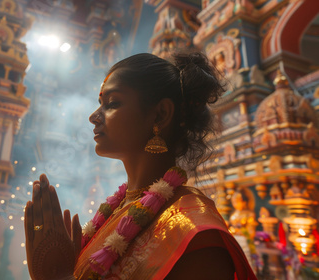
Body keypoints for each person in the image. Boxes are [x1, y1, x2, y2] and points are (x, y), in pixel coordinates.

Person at [24, 52, 257, 279]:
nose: (93, 116)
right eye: (100, 103)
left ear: (160, 115)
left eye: (112, 103)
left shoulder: (194, 234)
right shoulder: (120, 208)